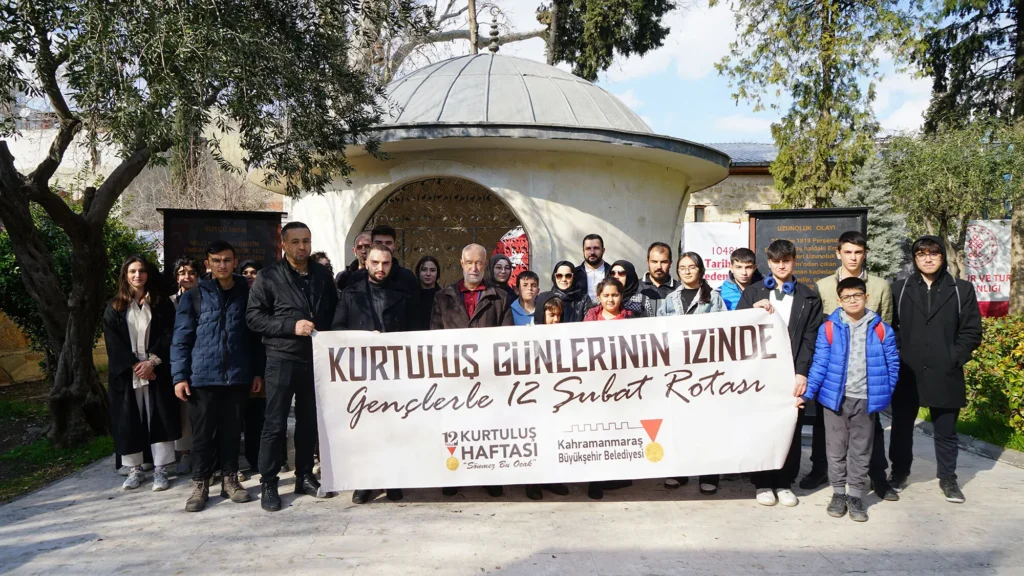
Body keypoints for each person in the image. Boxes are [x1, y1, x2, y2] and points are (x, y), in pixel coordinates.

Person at [246, 221, 338, 512]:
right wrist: (290, 326)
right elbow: (253, 318)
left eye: (306, 241)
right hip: (281, 358)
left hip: (315, 358)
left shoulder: (322, 275)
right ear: (284, 244)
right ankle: (269, 482)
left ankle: (304, 476)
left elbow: (334, 312)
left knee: (309, 421)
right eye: (295, 241)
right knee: (274, 424)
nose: (302, 247)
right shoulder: (268, 276)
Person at [802, 231, 897, 498]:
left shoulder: (880, 286)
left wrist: (884, 383)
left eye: (858, 252)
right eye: (848, 252)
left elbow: (886, 325)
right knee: (827, 429)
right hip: (835, 375)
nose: (853, 257)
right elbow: (818, 326)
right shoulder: (823, 286)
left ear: (864, 254)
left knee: (870, 431)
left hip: (867, 379)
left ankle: (877, 476)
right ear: (838, 253)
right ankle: (821, 470)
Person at [888, 236, 982, 503]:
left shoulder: (961, 289)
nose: (927, 259)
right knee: (901, 428)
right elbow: (890, 328)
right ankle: (899, 473)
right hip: (908, 371)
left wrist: (954, 357)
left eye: (933, 253)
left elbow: (972, 330)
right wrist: (899, 353)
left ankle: (948, 478)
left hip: (945, 371)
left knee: (946, 430)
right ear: (914, 258)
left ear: (942, 257)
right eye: (921, 254)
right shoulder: (899, 289)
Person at [171, 241, 264, 512]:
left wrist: (257, 371)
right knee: (202, 435)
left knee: (232, 431)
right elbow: (181, 338)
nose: (222, 265)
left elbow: (255, 337)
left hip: (237, 375)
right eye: (216, 260)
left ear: (235, 262)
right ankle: (200, 483)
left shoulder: (247, 293)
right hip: (202, 376)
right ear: (207, 264)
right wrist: (179, 376)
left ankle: (230, 479)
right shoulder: (194, 296)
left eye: (227, 260)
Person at [737, 239, 822, 507]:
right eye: (776, 261)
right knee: (761, 427)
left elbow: (810, 338)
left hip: (792, 373)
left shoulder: (809, 296)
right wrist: (751, 310)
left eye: (786, 261)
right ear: (769, 263)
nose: (781, 266)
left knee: (791, 428)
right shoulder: (753, 292)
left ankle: (785, 482)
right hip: (760, 374)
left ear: (794, 261)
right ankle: (762, 482)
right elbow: (736, 327)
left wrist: (802, 373)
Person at [430, 243, 514, 497]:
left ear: (484, 264)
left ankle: (490, 475)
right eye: (469, 263)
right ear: (462, 264)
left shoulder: (499, 297)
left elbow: (507, 337)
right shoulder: (443, 296)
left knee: (488, 426)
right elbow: (435, 335)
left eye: (479, 263)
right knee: (454, 427)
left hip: (488, 377)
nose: (474, 268)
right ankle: (453, 474)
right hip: (454, 377)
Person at [332, 243, 412, 504]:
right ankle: (364, 482)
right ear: (366, 263)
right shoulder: (350, 294)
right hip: (362, 371)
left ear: (392, 264)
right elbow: (337, 329)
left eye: (385, 263)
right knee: (364, 430)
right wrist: (363, 338)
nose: (380, 268)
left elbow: (415, 332)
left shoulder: (403, 293)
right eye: (375, 263)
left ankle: (393, 480)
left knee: (393, 429)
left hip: (395, 370)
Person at [103, 255, 180, 492]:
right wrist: (135, 366)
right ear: (125, 275)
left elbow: (169, 334)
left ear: (148, 274)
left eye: (142, 271)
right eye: (133, 271)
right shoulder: (115, 306)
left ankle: (161, 469)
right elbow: (113, 343)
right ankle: (134, 469)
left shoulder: (161, 304)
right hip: (127, 374)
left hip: (156, 370)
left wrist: (152, 362)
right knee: (129, 419)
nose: (138, 275)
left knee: (160, 417)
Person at [664, 252, 727, 494]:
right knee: (679, 423)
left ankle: (708, 474)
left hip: (705, 372)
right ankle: (679, 472)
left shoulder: (715, 299)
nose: (687, 271)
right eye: (683, 267)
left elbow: (723, 332)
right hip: (678, 372)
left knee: (707, 424)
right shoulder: (671, 299)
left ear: (700, 269)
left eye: (692, 267)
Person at [582, 277, 637, 500]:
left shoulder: (631, 318)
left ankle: (616, 475)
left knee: (618, 430)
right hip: (595, 385)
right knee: (597, 430)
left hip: (622, 384)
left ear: (621, 296)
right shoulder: (590, 318)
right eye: (606, 295)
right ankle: (594, 480)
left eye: (615, 295)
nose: (610, 299)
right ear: (598, 297)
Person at [238, 261, 288, 477]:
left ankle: (279, 458)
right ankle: (254, 460)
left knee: (274, 414)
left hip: (273, 361)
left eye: (254, 272)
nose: (250, 276)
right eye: (245, 273)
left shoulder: (270, 296)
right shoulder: (240, 299)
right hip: (247, 367)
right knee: (251, 416)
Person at [167, 256, 200, 476]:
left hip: (204, 359)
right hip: (180, 359)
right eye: (181, 273)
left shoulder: (206, 296)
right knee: (183, 409)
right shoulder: (169, 302)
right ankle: (186, 453)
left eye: (191, 273)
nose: (186, 277)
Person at [574, 234, 612, 303]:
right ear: (583, 251)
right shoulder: (574, 274)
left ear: (603, 250)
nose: (592, 252)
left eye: (596, 248)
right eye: (588, 248)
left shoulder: (613, 273)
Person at [639, 242, 679, 308]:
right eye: (654, 262)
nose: (659, 267)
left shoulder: (679, 290)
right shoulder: (636, 288)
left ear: (670, 263)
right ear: (648, 262)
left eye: (664, 262)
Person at [411, 255, 441, 331]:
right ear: (418, 272)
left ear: (437, 273)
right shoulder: (410, 297)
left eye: (432, 270)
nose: (428, 274)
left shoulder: (443, 297)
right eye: (424, 270)